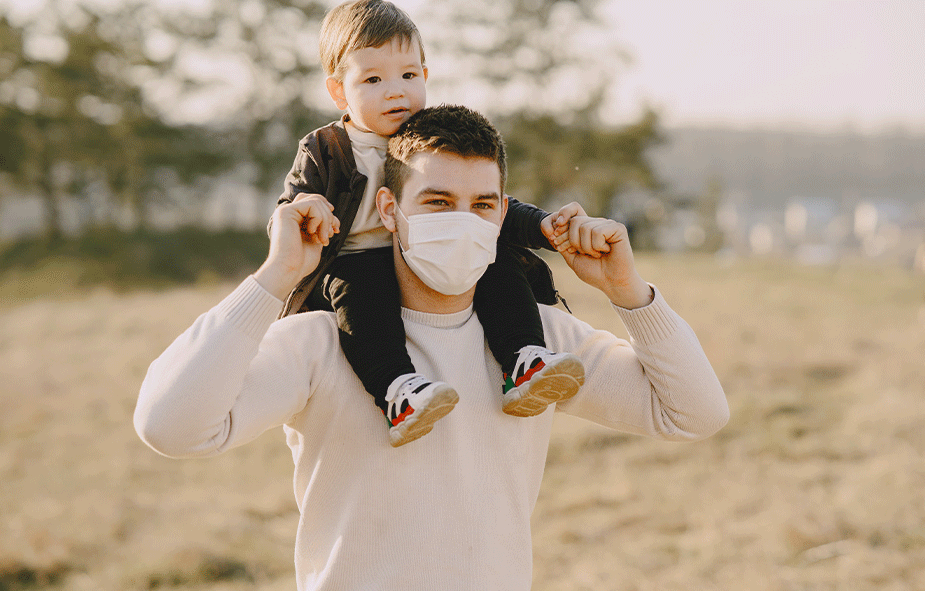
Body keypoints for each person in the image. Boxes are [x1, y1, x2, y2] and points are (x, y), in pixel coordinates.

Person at [134, 105, 729, 591]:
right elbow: (170, 426)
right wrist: (275, 277)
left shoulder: (539, 341)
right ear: (390, 210)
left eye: (483, 205)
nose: (463, 222)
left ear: (503, 213)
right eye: (438, 202)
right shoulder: (322, 341)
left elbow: (693, 414)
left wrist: (628, 293)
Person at [276, 0, 586, 447]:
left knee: (497, 259)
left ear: (425, 75)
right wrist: (308, 207)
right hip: (357, 261)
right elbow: (288, 211)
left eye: (408, 75)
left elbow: (482, 201)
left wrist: (541, 226)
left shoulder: (426, 136)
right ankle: (397, 391)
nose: (395, 92)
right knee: (362, 294)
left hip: (428, 251)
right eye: (373, 80)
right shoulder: (327, 149)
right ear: (339, 91)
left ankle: (523, 360)